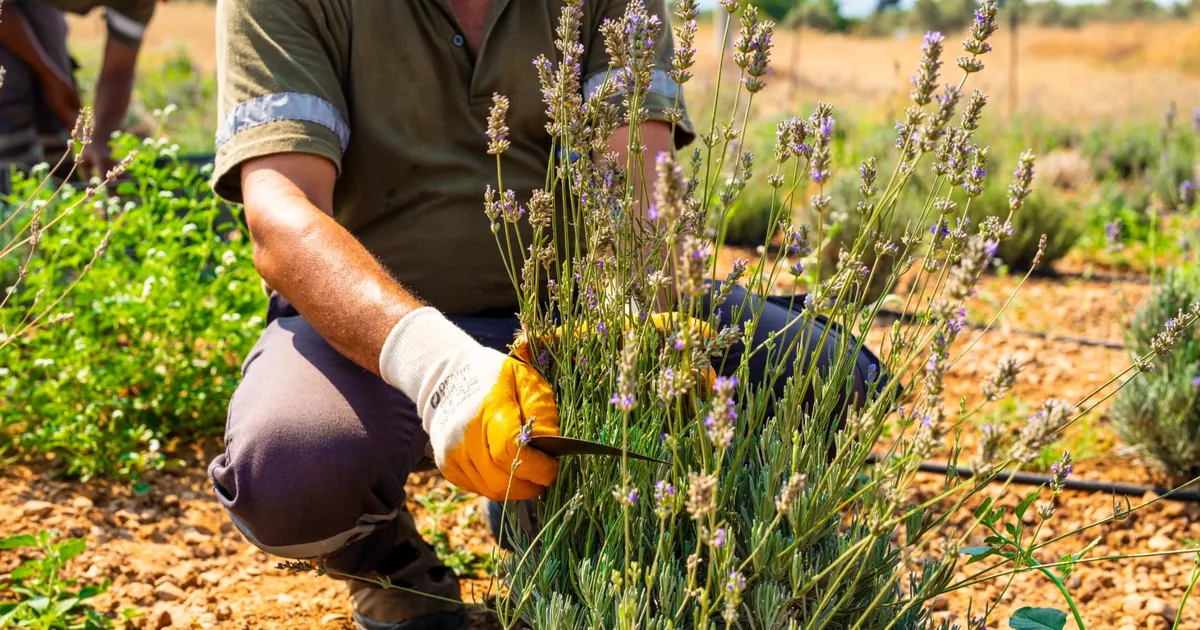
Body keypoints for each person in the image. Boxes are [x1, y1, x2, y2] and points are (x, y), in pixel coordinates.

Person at [205, 1, 884, 629]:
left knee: (829, 383)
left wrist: (631, 336)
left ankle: (556, 525)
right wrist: (438, 368)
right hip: (374, 331)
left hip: (574, 314)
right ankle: (392, 569)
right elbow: (282, 217)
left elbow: (637, 183)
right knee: (290, 470)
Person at [0, 0, 157, 192]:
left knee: (54, 120)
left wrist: (100, 141)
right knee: (10, 86)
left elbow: (118, 72)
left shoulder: (140, 3)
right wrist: (49, 75)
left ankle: (54, 197)